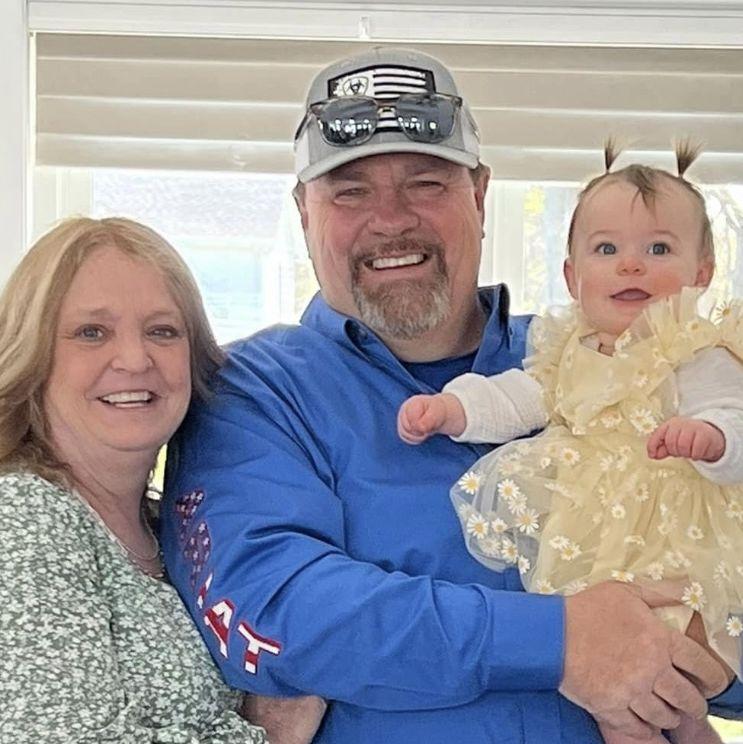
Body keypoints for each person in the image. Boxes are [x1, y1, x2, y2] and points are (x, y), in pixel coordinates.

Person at [160, 47, 743, 744]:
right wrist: (561, 640)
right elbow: (274, 611)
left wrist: (698, 648)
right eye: (349, 191)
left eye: (427, 183)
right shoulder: (252, 390)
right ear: (303, 212)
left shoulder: (610, 363)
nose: (391, 219)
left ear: (480, 196)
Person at [398, 143, 743, 743]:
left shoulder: (693, 351)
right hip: (595, 545)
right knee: (616, 689)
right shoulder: (564, 351)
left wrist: (711, 437)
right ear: (571, 276)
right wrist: (453, 409)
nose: (630, 266)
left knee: (678, 676)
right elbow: (516, 398)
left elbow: (735, 416)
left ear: (702, 272)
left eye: (658, 249)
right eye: (607, 249)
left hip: (679, 542)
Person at [0, 217, 267, 743]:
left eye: (162, 331)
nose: (134, 359)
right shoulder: (23, 517)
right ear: (34, 354)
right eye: (91, 332)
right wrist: (269, 732)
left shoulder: (172, 526)